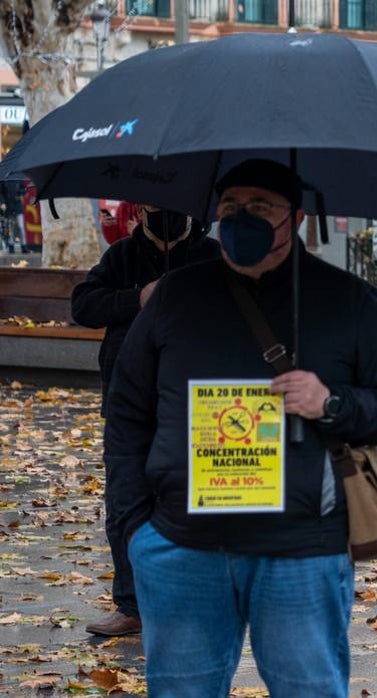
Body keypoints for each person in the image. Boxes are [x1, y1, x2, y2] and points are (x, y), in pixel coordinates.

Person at [104, 159, 377, 695]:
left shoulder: (350, 302)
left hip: (301, 552)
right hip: (182, 549)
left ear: (295, 218)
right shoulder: (174, 297)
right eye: (231, 208)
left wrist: (332, 402)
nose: (241, 218)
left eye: (260, 208)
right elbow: (126, 413)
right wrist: (135, 525)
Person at [71, 204, 220, 637]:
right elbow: (84, 305)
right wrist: (138, 297)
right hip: (127, 404)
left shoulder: (212, 255)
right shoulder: (120, 256)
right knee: (125, 503)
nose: (163, 213)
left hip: (194, 403)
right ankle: (132, 605)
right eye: (153, 206)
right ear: (140, 208)